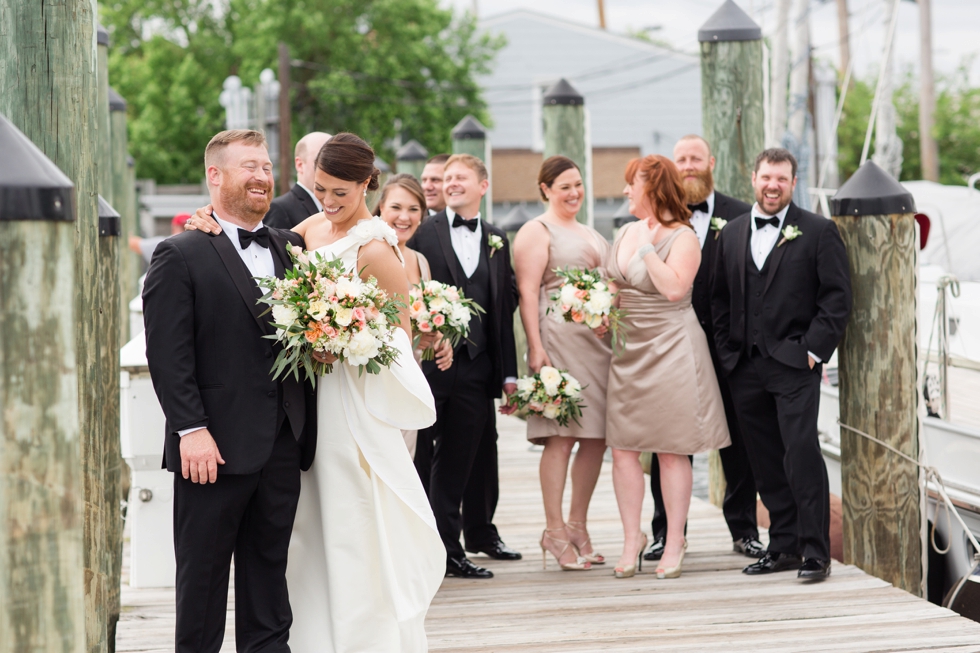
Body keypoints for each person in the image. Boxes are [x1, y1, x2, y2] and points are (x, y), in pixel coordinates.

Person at [183, 134, 447, 650]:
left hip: (347, 405)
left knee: (349, 523)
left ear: (367, 184)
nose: (328, 202)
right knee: (301, 529)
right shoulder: (307, 229)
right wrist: (206, 220)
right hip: (300, 407)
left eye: (340, 194)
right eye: (320, 189)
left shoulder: (376, 249)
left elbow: (400, 340)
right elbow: (250, 247)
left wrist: (344, 342)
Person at [142, 129, 317, 652]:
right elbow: (168, 357)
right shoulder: (179, 253)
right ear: (215, 176)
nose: (262, 176)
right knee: (203, 584)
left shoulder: (293, 247)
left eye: (266, 166)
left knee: (270, 581)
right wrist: (191, 430)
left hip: (282, 444)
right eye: (249, 166)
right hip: (211, 449)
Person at [712, 148, 851, 581]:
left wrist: (811, 350)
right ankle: (784, 546)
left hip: (793, 364)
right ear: (753, 178)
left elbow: (837, 299)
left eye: (782, 179)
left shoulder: (818, 231)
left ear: (793, 182)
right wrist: (726, 352)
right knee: (764, 460)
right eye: (766, 177)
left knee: (801, 453)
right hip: (744, 365)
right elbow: (718, 298)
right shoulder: (731, 234)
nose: (773, 185)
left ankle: (815, 552)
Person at [605, 154, 731, 580]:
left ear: (653, 189)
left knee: (670, 449)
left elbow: (675, 288)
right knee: (622, 449)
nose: (625, 191)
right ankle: (630, 539)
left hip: (672, 346)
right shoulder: (623, 230)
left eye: (631, 184)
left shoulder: (684, 236)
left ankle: (674, 540)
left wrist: (646, 247)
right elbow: (614, 284)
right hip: (629, 350)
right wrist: (599, 310)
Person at [644, 135, 764, 563]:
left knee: (739, 442)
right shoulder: (658, 217)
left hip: (728, 348)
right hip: (672, 349)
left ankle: (744, 530)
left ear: (711, 161)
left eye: (695, 157)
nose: (689, 165)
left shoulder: (741, 214)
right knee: (669, 443)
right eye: (681, 159)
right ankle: (666, 533)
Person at [407, 153, 521, 579]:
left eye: (460, 178)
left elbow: (501, 311)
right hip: (431, 364)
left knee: (458, 462)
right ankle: (428, 547)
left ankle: (452, 551)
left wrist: (508, 374)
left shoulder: (496, 237)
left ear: (482, 186)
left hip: (477, 367)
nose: (450, 183)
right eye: (447, 177)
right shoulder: (424, 232)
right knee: (421, 458)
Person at [511, 155, 611, 571]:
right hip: (558, 341)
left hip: (596, 344)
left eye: (578, 184)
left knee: (596, 437)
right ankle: (553, 530)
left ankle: (577, 525)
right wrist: (535, 347)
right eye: (564, 186)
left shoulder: (590, 231)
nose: (573, 192)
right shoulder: (537, 231)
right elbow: (528, 292)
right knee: (561, 435)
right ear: (545, 189)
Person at [375, 173, 454, 457]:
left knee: (406, 460)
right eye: (396, 207)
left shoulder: (420, 261)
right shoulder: (371, 254)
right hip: (378, 379)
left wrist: (439, 340)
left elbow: (424, 319)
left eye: (413, 209)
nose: (404, 217)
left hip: (413, 376)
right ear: (380, 207)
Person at [264, 131, 332, 229]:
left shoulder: (340, 207)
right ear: (300, 165)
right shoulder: (280, 209)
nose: (331, 168)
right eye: (323, 161)